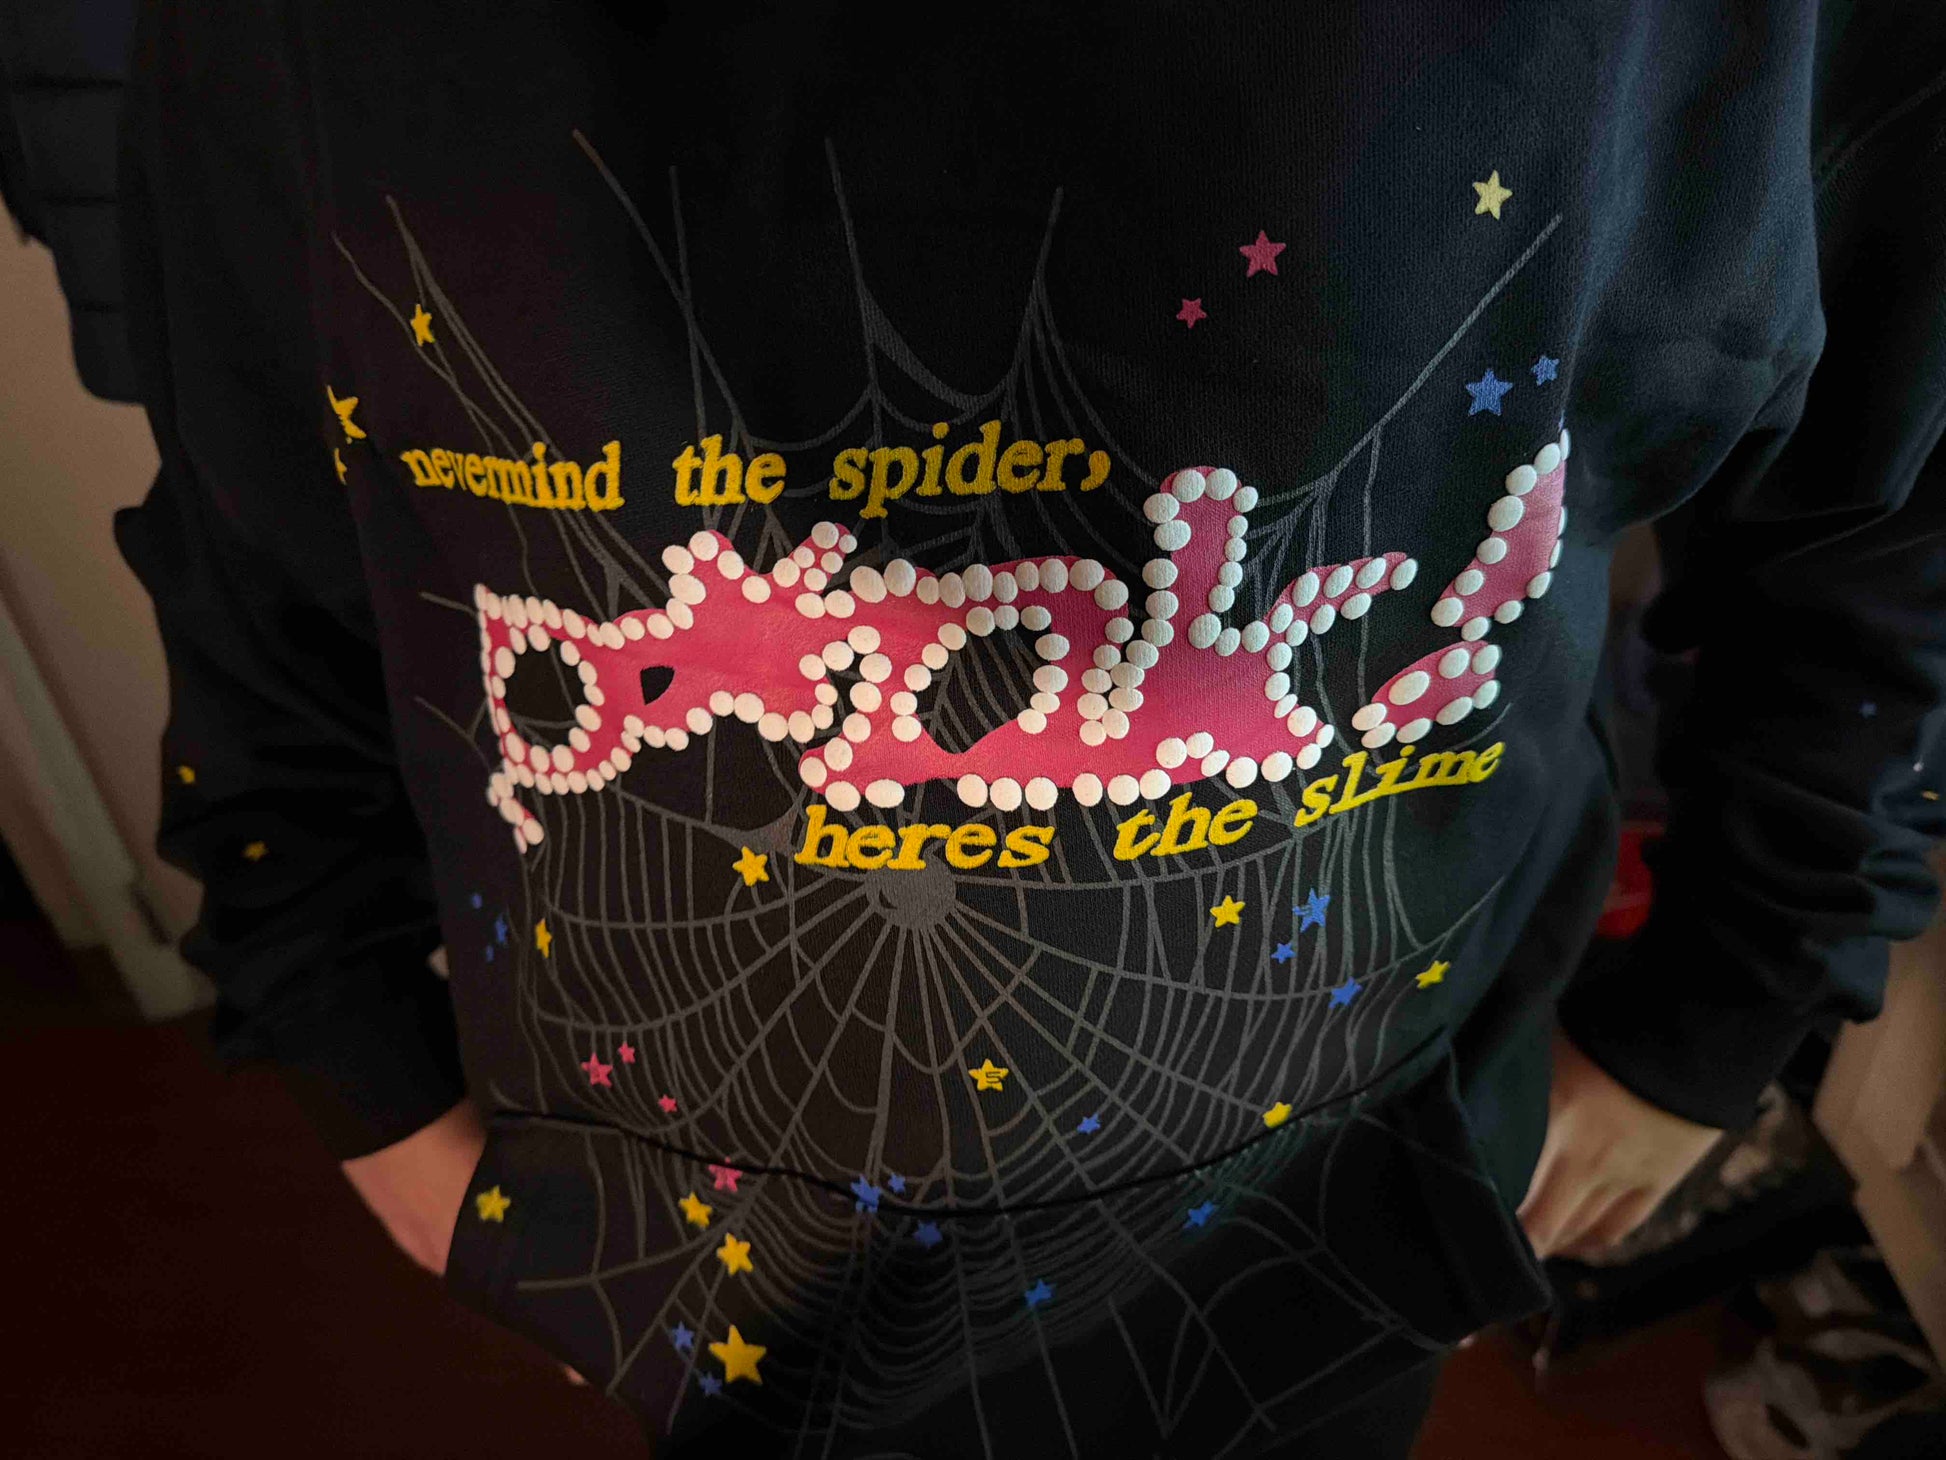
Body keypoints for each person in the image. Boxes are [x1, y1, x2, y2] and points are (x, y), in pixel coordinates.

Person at [114, 2, 1946, 1455]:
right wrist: (351, 1047)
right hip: (667, 1240)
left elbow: (1878, 491)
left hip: (1357, 1188)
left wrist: (1724, 1005)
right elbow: (255, 514)